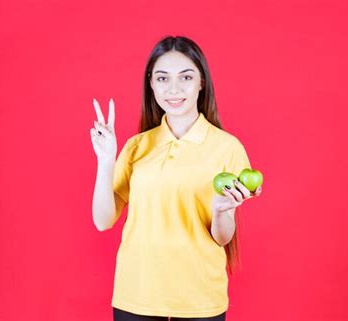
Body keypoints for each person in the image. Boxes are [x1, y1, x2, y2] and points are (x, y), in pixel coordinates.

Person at [90, 35, 262, 321]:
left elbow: (222, 238)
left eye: (185, 77)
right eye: (162, 78)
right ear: (151, 84)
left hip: (200, 295)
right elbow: (102, 220)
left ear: (201, 82)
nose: (173, 89)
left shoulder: (227, 147)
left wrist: (221, 210)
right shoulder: (136, 146)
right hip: (138, 293)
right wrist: (105, 161)